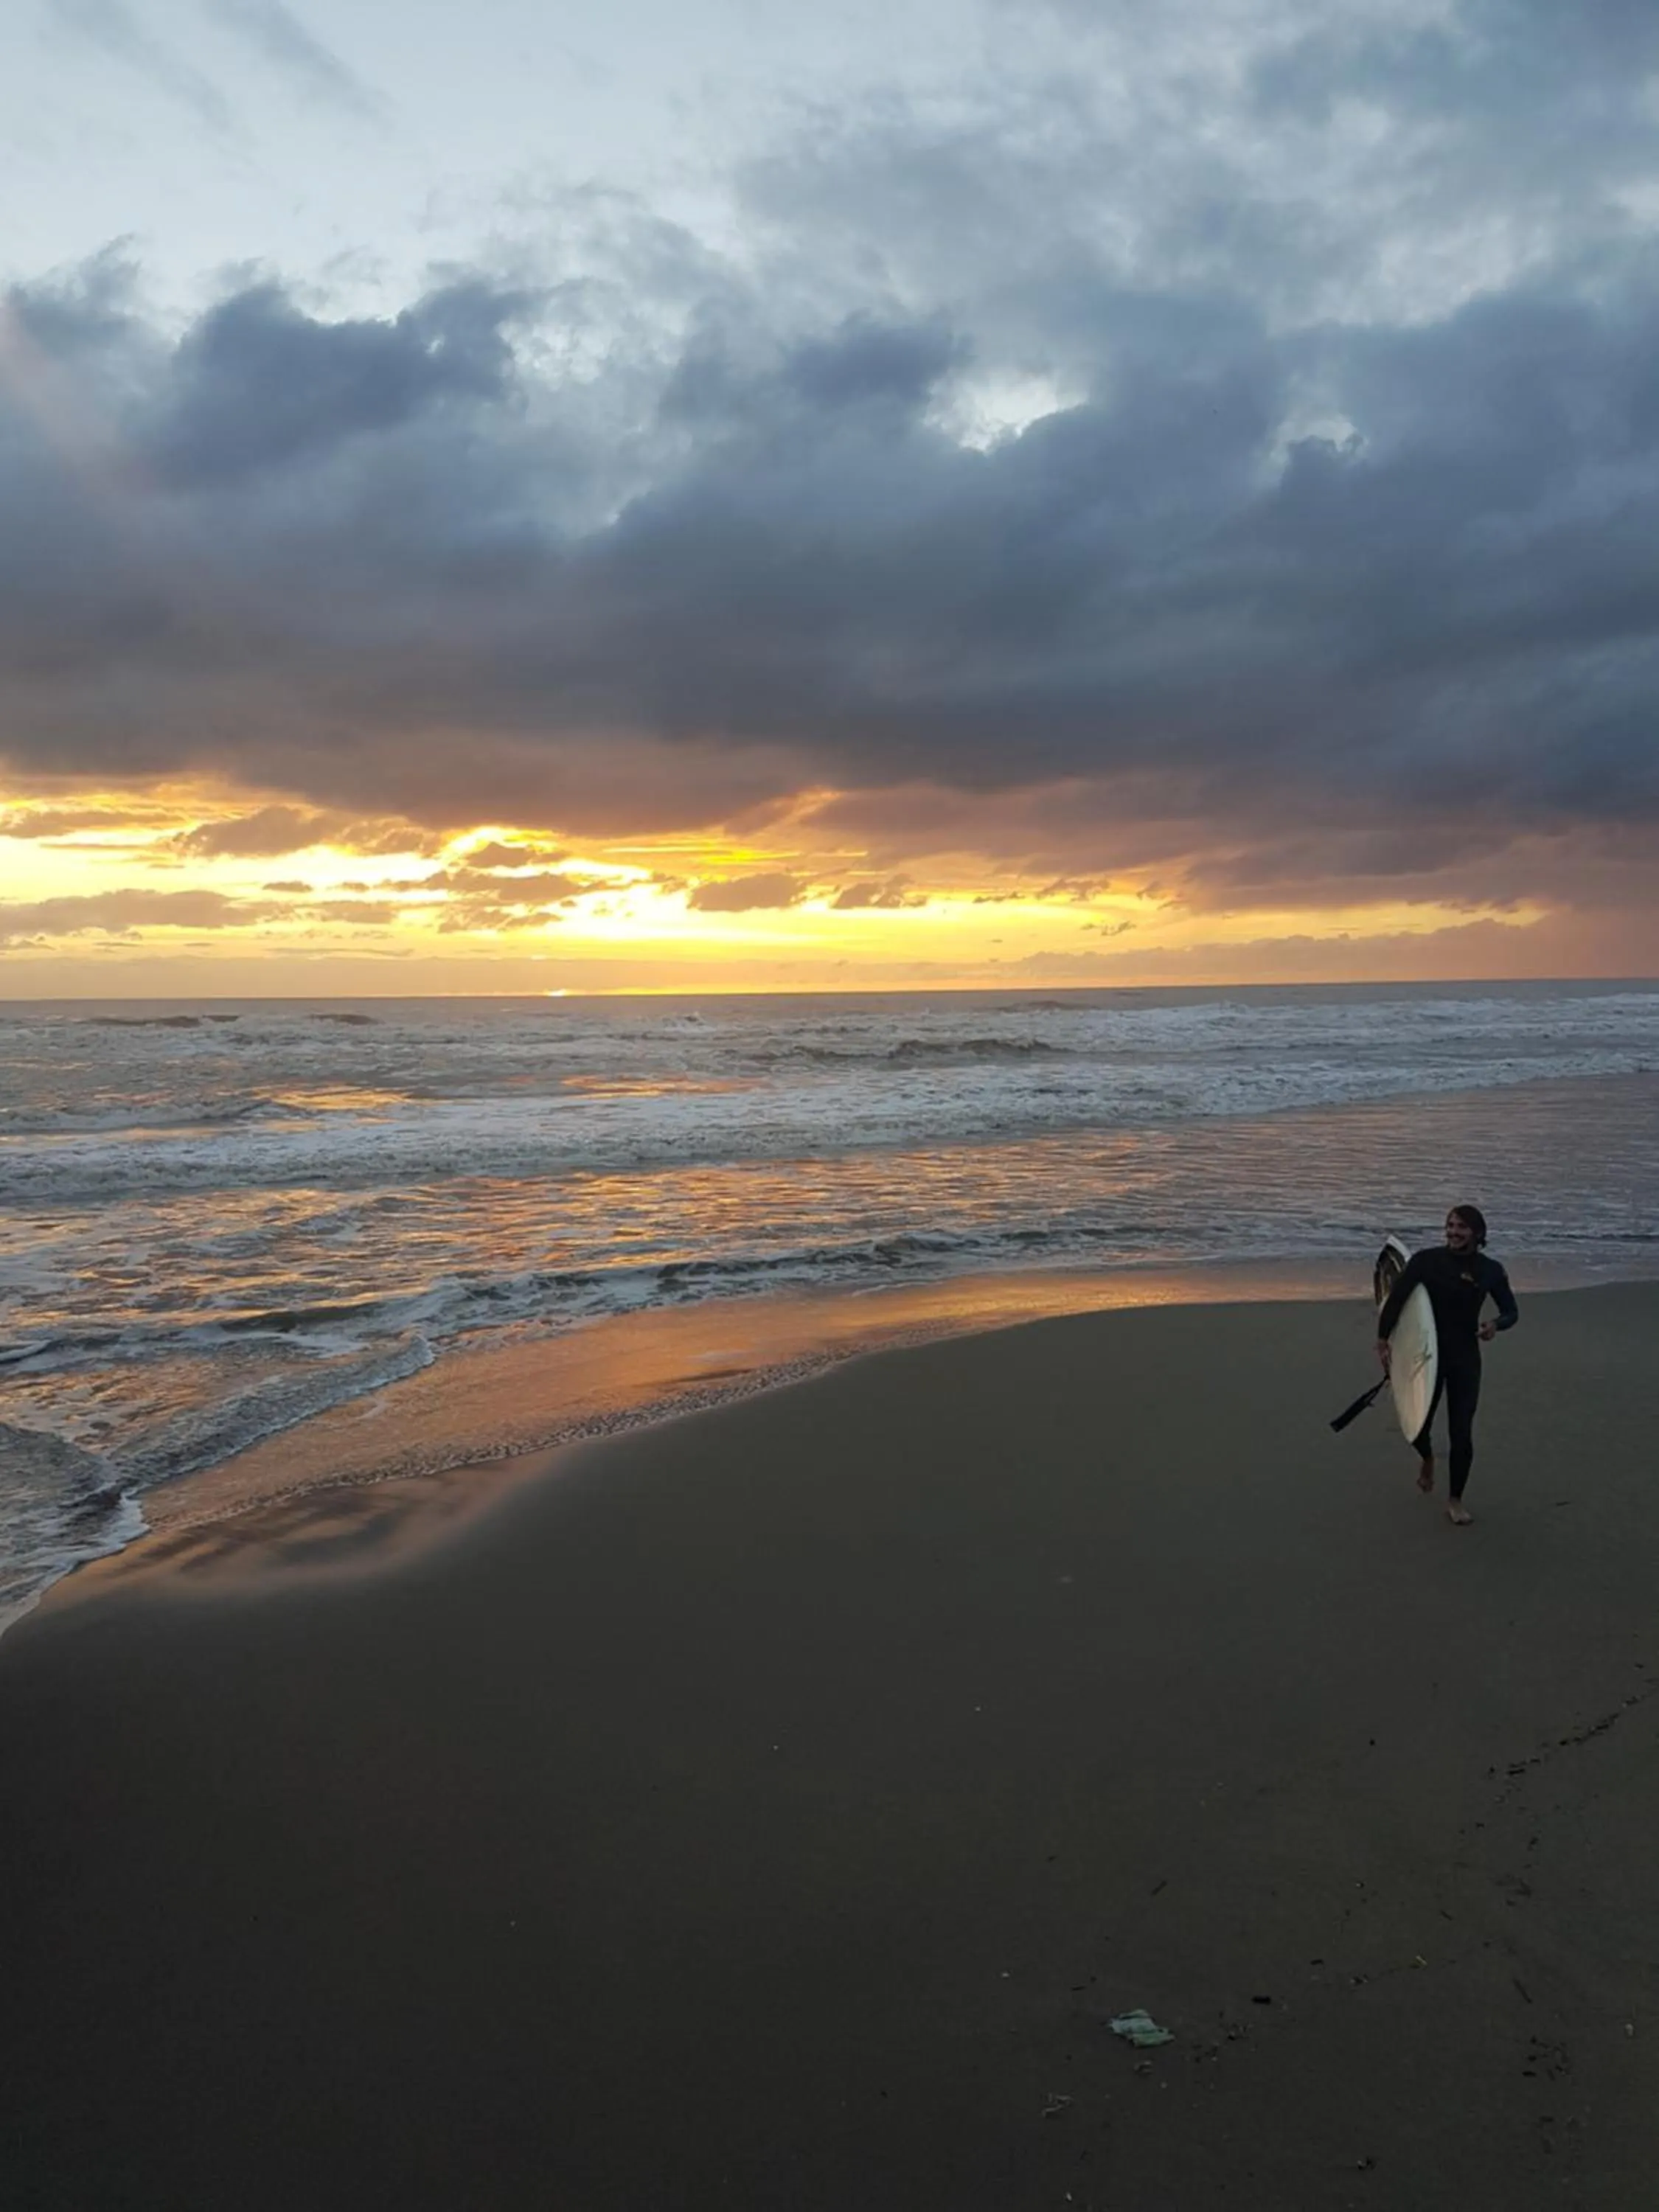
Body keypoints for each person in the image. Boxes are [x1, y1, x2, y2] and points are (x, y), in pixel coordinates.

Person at [1375, 1204, 1518, 1526]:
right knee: (1417, 1427)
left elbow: (1511, 1311)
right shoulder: (1426, 1262)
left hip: (1464, 1356)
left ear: (1478, 1234)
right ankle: (1427, 1458)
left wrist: (1496, 1324)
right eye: (1450, 1225)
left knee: (1462, 1433)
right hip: (1423, 1354)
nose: (1454, 1232)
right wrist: (1383, 1340)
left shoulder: (1491, 1270)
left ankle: (1455, 1499)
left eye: (1462, 1227)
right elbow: (1396, 1300)